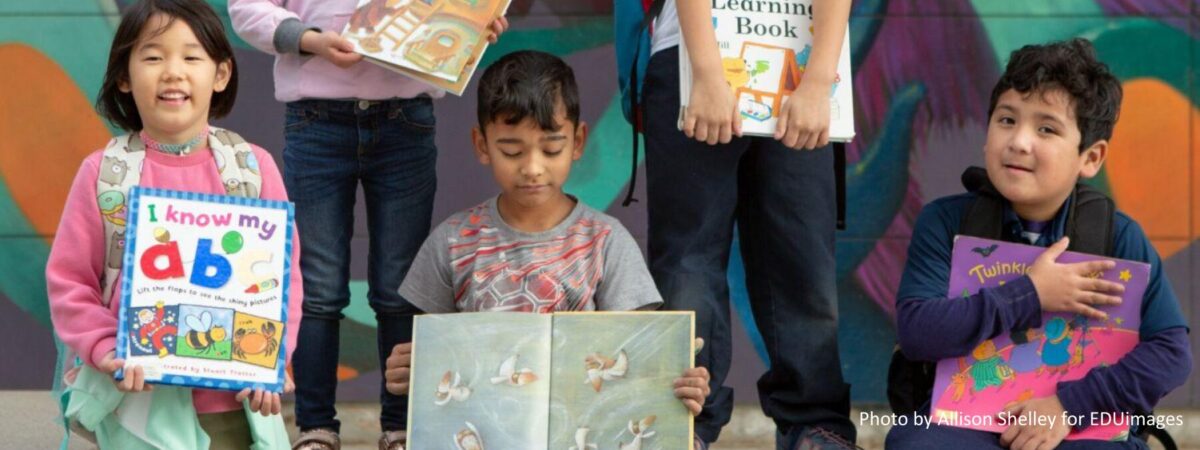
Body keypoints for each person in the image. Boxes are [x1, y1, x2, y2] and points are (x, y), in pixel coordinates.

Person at [382, 50, 712, 449]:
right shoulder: (453, 241)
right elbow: (432, 350)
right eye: (512, 151)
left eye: (551, 149)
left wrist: (679, 383)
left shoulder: (606, 241)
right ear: (481, 144)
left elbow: (639, 358)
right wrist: (411, 370)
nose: (533, 167)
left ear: (578, 142)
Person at [226, 2, 506, 449]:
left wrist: (473, 22)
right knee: (317, 285)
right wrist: (309, 38)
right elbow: (245, 7)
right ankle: (316, 428)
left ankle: (399, 426)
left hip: (406, 119)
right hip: (316, 118)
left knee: (401, 285)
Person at [888, 38, 1191, 450]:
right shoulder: (946, 223)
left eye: (1046, 128)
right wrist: (1030, 294)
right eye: (1007, 120)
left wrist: (1069, 407)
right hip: (963, 424)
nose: (1019, 141)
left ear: (1091, 158)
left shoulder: (1117, 238)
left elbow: (1171, 355)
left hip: (1077, 425)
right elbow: (918, 332)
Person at [48, 1, 303, 448]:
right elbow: (70, 281)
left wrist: (274, 359)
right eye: (152, 56)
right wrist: (106, 347)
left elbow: (284, 281)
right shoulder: (105, 173)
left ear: (220, 74)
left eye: (191, 56)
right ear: (124, 77)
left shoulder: (250, 168)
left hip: (235, 402)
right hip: (140, 405)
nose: (172, 72)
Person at [639, 0, 857, 448]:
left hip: (802, 58)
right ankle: (686, 425)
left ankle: (814, 423)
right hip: (691, 58)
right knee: (688, 259)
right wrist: (707, 71)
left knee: (802, 260)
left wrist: (818, 80)